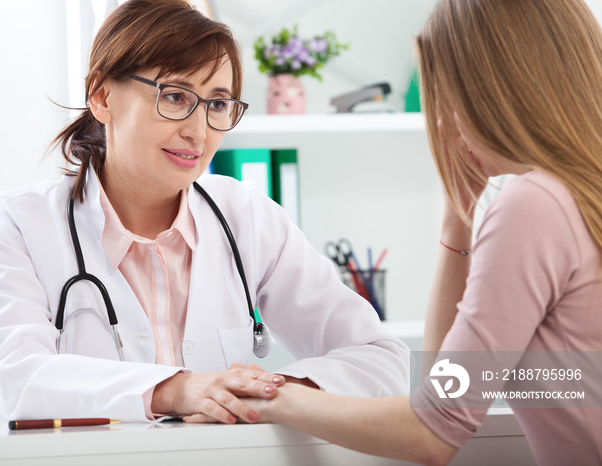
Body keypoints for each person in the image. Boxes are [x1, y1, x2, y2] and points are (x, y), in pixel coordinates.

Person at [0, 0, 410, 425]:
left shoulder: (248, 218)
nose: (198, 131)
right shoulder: (18, 227)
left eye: (217, 104)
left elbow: (382, 358)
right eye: (175, 97)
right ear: (102, 97)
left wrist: (268, 392)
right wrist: (176, 390)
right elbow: (17, 379)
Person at [241, 0, 602, 464]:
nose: (443, 121)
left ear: (490, 91)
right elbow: (449, 379)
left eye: (447, 95)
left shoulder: (536, 204)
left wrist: (277, 396)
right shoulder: (575, 195)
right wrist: (459, 216)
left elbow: (434, 429)